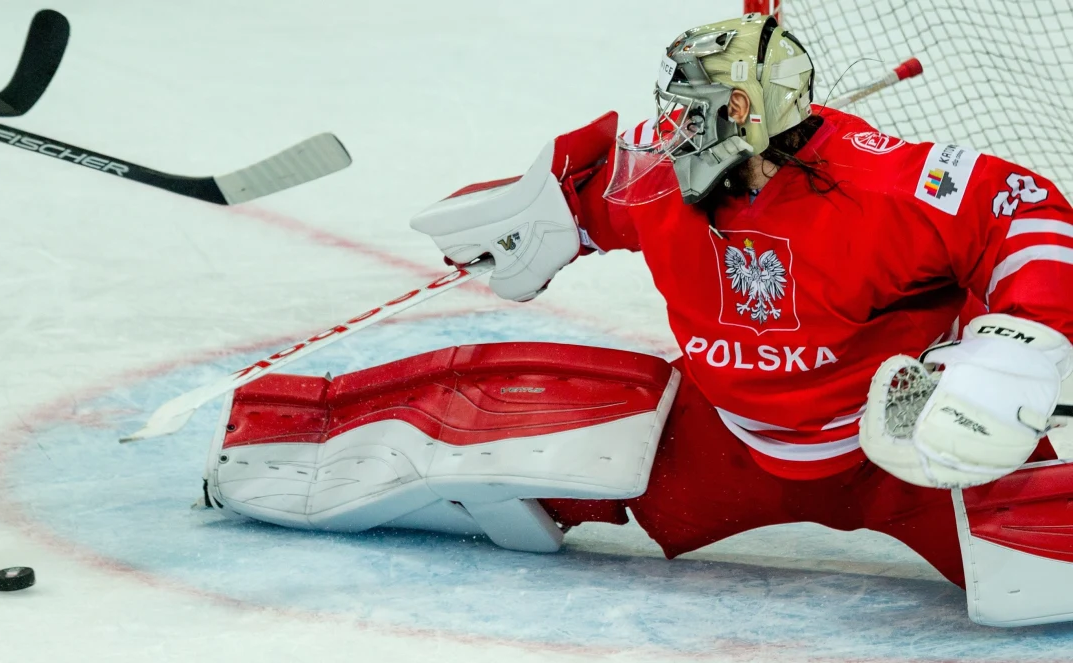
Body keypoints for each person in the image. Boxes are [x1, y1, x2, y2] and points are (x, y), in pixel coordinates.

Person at [202, 14, 1073, 627]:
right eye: (671, 103)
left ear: (750, 112)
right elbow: (583, 196)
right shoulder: (658, 182)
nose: (672, 125)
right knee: (520, 435)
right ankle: (278, 444)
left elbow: (1027, 210)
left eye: (694, 107)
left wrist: (1018, 345)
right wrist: (531, 219)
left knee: (1030, 559)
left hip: (911, 458)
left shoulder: (884, 183)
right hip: (722, 444)